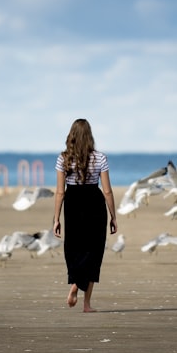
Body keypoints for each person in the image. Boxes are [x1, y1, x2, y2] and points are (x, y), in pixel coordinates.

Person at [52, 118, 117, 312]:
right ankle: (86, 304)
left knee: (74, 249)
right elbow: (107, 191)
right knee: (94, 252)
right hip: (94, 203)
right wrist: (113, 216)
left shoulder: (63, 158)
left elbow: (60, 192)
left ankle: (75, 284)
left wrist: (56, 218)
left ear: (71, 136)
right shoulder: (100, 158)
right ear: (90, 136)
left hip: (73, 203)